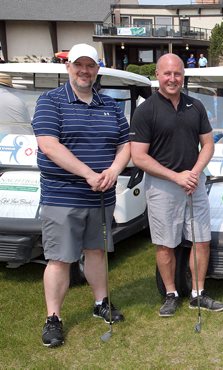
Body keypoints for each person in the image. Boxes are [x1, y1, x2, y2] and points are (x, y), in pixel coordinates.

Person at [32, 43, 130, 348]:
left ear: (97, 69)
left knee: (97, 252)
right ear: (68, 67)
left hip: (101, 197)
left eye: (90, 66)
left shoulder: (110, 105)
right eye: (79, 65)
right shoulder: (50, 101)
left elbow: (125, 144)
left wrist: (114, 169)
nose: (84, 71)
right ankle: (53, 318)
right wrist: (88, 173)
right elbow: (49, 145)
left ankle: (101, 302)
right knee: (60, 258)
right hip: (63, 196)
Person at [130, 53, 223, 317]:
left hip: (194, 183)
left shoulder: (195, 106)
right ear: (157, 75)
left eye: (177, 74)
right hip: (163, 187)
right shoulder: (145, 110)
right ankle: (171, 294)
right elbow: (138, 156)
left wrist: (194, 172)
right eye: (167, 74)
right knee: (165, 243)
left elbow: (208, 144)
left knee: (201, 240)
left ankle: (198, 293)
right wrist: (176, 177)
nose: (172, 79)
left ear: (183, 76)